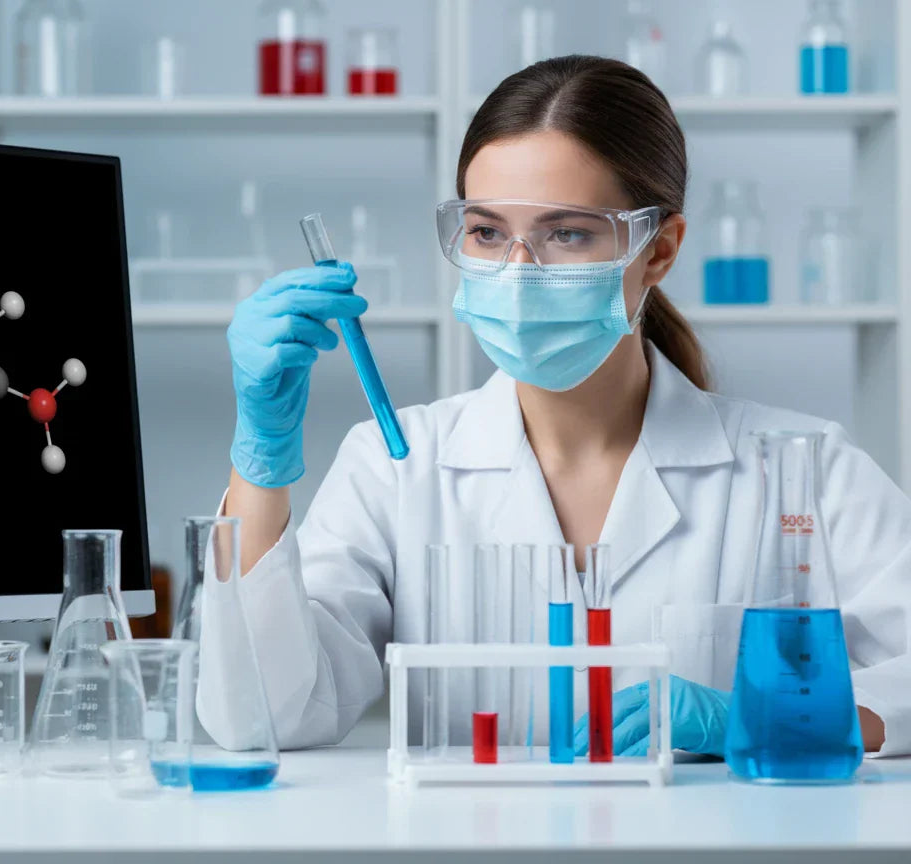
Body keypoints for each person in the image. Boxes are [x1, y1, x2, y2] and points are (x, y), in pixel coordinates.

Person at [203, 56, 910, 757]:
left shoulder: (803, 470)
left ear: (658, 250)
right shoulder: (395, 467)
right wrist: (260, 458)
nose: (517, 272)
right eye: (485, 232)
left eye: (566, 233)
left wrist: (766, 717)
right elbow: (263, 718)